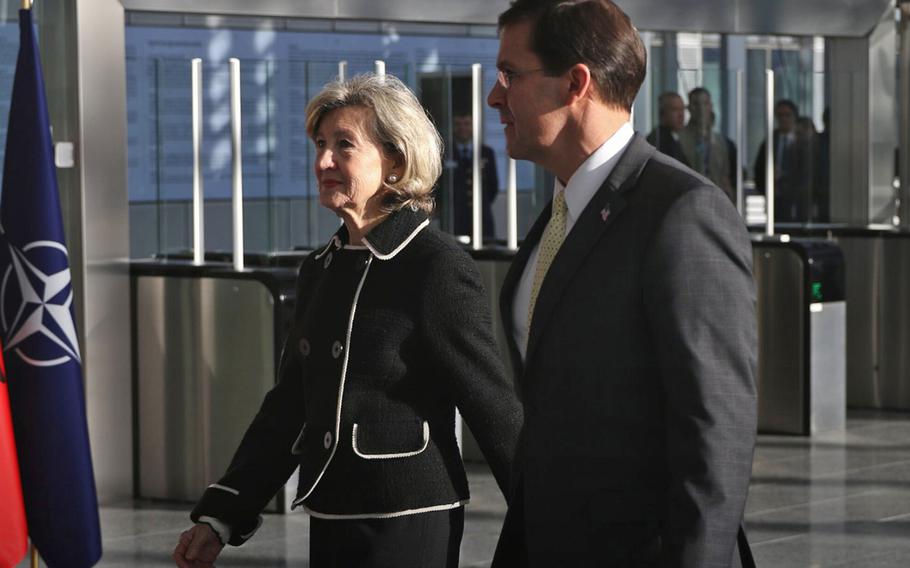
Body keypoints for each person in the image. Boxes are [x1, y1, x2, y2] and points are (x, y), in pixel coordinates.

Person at [172, 73, 522, 568]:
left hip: (408, 520)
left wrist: (549, 518)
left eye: (344, 146)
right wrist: (223, 514)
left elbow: (490, 402)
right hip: (331, 511)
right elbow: (291, 404)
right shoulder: (321, 268)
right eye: (320, 144)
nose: (323, 162)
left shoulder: (434, 264)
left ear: (395, 161)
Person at [486, 1, 757, 566]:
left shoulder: (682, 212)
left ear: (575, 83)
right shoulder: (561, 208)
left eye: (510, 74)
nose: (495, 96)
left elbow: (714, 433)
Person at [678, 87, 736, 203]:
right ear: (689, 108)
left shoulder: (723, 143)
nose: (701, 109)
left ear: (711, 106)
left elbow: (730, 178)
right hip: (689, 201)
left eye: (705, 103)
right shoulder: (679, 140)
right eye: (696, 104)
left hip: (718, 201)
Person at [451, 113, 500, 238]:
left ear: (473, 126)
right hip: (454, 220)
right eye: (458, 124)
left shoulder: (486, 153)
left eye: (467, 124)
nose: (462, 128)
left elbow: (493, 188)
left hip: (482, 218)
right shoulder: (446, 154)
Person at [753, 99, 799, 221]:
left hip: (797, 202)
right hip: (775, 200)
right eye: (780, 116)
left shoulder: (802, 141)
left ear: (795, 117)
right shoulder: (769, 141)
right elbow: (758, 170)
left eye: (787, 115)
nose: (784, 119)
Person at [646, 91, 689, 166]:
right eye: (675, 109)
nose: (681, 115)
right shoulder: (658, 140)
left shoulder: (680, 137)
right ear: (662, 113)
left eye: (682, 109)